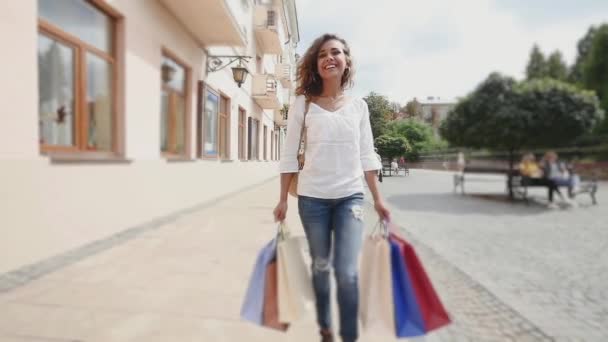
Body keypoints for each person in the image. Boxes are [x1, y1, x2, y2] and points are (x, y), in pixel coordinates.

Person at [273, 33, 390, 342]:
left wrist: (378, 199)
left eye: (335, 52)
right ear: (316, 63)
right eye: (322, 54)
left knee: (347, 274)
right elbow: (288, 154)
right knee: (322, 266)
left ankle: (349, 337)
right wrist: (282, 199)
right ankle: (325, 327)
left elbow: (367, 154)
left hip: (350, 197)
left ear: (346, 61)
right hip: (312, 199)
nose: (329, 57)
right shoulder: (303, 103)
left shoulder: (360, 108)